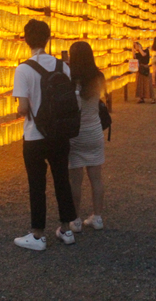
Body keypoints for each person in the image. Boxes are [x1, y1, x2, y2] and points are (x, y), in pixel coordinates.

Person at [12, 19, 77, 250]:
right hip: (60, 134)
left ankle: (38, 234)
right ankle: (66, 229)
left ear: (26, 39)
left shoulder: (23, 69)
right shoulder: (63, 67)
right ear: (48, 38)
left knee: (37, 184)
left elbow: (22, 108)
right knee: (62, 180)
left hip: (34, 136)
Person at [66, 41, 106, 234]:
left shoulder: (70, 79)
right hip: (94, 130)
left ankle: (75, 220)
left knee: (75, 180)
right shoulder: (98, 77)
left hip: (75, 133)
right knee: (96, 178)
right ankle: (97, 217)